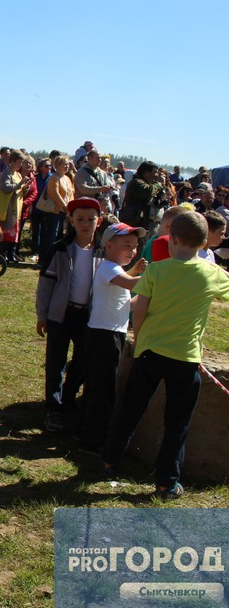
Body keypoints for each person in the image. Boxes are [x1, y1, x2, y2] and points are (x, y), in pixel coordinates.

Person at [103, 212, 229, 499]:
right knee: (177, 423)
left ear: (171, 238)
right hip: (185, 358)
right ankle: (167, 483)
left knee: (131, 408)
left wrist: (141, 338)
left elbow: (140, 309)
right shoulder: (212, 273)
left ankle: (110, 460)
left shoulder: (157, 270)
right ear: (204, 243)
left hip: (150, 352)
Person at [77, 223, 147, 454]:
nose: (132, 251)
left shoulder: (117, 271)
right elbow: (131, 283)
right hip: (103, 335)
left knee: (99, 387)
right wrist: (159, 275)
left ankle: (87, 431)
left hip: (110, 332)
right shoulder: (110, 268)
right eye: (126, 245)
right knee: (103, 390)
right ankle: (93, 440)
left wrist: (147, 297)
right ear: (108, 245)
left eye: (135, 246)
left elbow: (126, 304)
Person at [35, 197, 103, 433]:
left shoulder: (105, 251)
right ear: (71, 220)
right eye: (80, 219)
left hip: (89, 317)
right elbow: (46, 284)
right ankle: (54, 409)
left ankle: (69, 398)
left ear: (99, 221)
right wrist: (42, 314)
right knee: (56, 362)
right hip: (60, 315)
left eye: (90, 219)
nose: (85, 224)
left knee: (84, 362)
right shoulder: (60, 248)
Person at [0, 149, 29, 262]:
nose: (20, 165)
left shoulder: (18, 174)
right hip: (7, 207)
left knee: (14, 232)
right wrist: (20, 184)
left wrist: (26, 187)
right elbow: (5, 188)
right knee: (5, 231)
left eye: (21, 162)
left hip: (16, 208)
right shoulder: (6, 173)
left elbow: (20, 191)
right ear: (12, 161)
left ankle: (11, 254)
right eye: (18, 162)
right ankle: (2, 254)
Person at [36, 155, 75, 264]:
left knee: (58, 235)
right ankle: (45, 258)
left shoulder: (67, 178)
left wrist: (71, 207)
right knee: (50, 235)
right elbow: (55, 194)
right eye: (64, 164)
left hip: (64, 211)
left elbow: (71, 194)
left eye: (67, 164)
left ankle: (53, 258)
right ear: (57, 165)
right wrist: (65, 207)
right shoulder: (54, 178)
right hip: (53, 211)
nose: (66, 166)